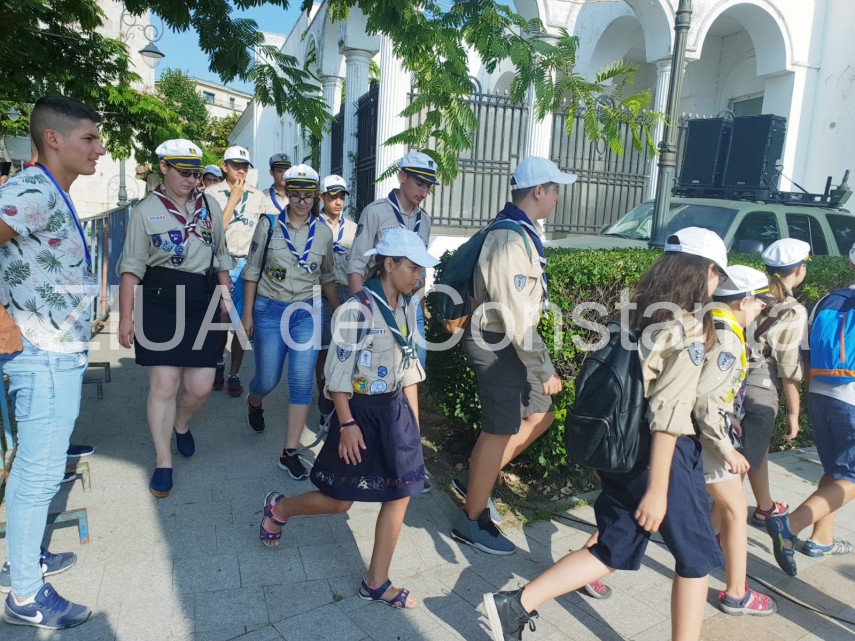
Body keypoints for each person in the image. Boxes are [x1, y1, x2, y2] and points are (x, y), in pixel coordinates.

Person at [482, 227, 727, 641]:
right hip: (661, 460)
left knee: (611, 547)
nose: (719, 284)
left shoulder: (631, 316)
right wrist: (659, 490)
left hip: (622, 451)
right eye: (718, 273)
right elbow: (669, 415)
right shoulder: (687, 330)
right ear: (701, 271)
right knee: (696, 560)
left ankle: (515, 605)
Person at [257, 228, 437, 610]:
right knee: (340, 502)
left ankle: (376, 581)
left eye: (422, 269)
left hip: (394, 411)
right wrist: (348, 425)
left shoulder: (407, 306)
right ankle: (280, 508)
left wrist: (415, 429)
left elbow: (409, 370)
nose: (419, 276)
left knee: (402, 492)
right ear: (389, 265)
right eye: (413, 268)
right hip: (357, 414)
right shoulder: (355, 311)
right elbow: (337, 378)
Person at [0, 95, 105, 629]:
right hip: (40, 354)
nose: (100, 149)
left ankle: (24, 560)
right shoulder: (32, 190)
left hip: (55, 350)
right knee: (38, 475)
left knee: (39, 469)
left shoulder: (46, 191)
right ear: (53, 139)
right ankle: (24, 596)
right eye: (89, 138)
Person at [450, 157, 572, 555]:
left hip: (511, 345)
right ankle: (472, 522)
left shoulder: (523, 233)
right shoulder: (509, 239)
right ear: (539, 191)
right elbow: (516, 317)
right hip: (497, 344)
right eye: (555, 189)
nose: (557, 196)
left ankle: (474, 480)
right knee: (498, 430)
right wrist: (546, 368)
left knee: (541, 412)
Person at [118, 139, 231, 498]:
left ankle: (181, 424)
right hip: (161, 299)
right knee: (164, 385)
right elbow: (131, 268)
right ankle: (163, 460)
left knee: (200, 386)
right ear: (163, 167)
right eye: (184, 172)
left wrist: (225, 300)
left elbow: (222, 256)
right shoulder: (145, 211)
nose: (192, 179)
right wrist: (126, 317)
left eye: (196, 173)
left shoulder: (210, 205)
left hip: (203, 299)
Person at [347, 151, 439, 491]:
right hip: (375, 301)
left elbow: (420, 267)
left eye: (428, 186)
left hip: (410, 306)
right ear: (402, 177)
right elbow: (357, 264)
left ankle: (407, 459)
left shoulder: (424, 219)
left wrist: (418, 300)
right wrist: (363, 309)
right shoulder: (376, 212)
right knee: (369, 374)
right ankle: (354, 435)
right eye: (418, 183)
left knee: (412, 375)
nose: (423, 191)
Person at [241, 163, 339, 479]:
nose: (301, 202)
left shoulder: (323, 232)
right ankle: (254, 401)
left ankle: (289, 452)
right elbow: (252, 271)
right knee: (267, 380)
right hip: (269, 311)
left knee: (300, 382)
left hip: (306, 313)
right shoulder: (268, 226)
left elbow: (327, 276)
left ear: (315, 197)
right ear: (287, 194)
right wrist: (246, 315)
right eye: (295, 195)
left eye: (307, 196)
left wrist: (337, 311)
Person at [765, 243, 855, 576]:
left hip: (821, 395)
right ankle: (790, 525)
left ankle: (822, 538)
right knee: (851, 476)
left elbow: (804, 351)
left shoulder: (826, 300)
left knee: (835, 468)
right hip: (853, 399)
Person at [695, 265, 776, 615]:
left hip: (688, 431)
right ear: (744, 301)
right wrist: (727, 448)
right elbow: (706, 400)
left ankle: (588, 564)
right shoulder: (728, 335)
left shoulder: (706, 316)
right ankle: (737, 593)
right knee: (734, 509)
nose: (762, 310)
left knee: (639, 506)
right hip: (705, 436)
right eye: (760, 303)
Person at [742, 239, 809, 525]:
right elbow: (788, 368)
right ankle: (716, 526)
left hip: (731, 378)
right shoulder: (792, 310)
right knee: (746, 455)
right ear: (800, 269)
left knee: (749, 450)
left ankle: (765, 506)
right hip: (760, 385)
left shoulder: (748, 295)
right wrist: (794, 413)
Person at [206, 145, 270, 396]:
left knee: (244, 324)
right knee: (221, 321)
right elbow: (213, 232)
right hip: (221, 263)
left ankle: (234, 373)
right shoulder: (211, 193)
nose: (241, 170)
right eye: (235, 165)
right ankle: (219, 363)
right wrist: (233, 198)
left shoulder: (257, 196)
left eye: (244, 166)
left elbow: (265, 233)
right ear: (224, 166)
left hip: (247, 265)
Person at [316, 174, 358, 430]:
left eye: (342, 196)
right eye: (332, 196)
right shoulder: (313, 225)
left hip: (348, 292)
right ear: (321, 197)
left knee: (346, 350)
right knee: (323, 349)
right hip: (319, 295)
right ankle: (324, 398)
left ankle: (339, 398)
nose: (338, 201)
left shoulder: (354, 228)